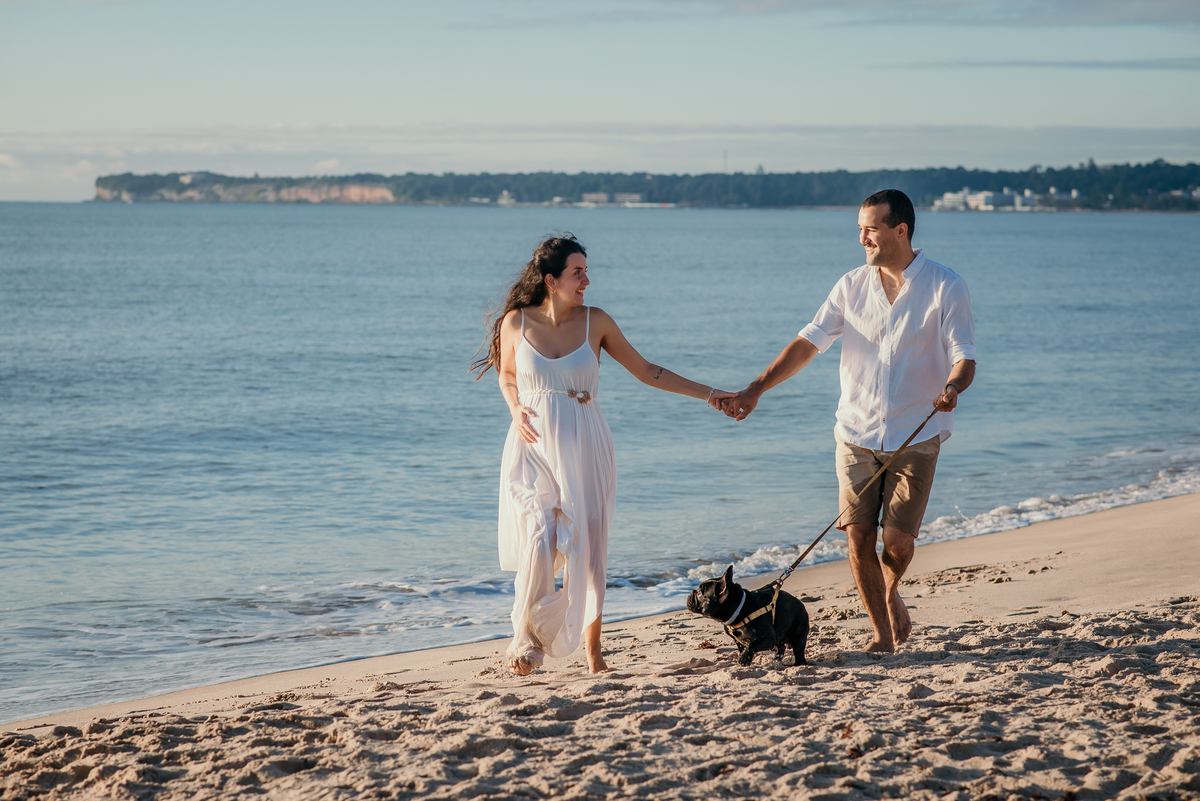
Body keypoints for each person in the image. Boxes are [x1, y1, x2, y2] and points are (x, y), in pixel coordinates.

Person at [717, 189, 976, 653]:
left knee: (896, 542)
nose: (862, 238)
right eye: (859, 228)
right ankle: (881, 635)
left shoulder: (945, 286)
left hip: (916, 434)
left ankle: (891, 587)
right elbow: (808, 343)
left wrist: (953, 387)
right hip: (855, 431)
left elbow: (964, 356)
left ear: (901, 230)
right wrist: (755, 388)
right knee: (857, 536)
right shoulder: (851, 285)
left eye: (870, 228)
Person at [472, 234, 731, 675]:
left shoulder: (597, 321)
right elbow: (507, 374)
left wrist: (710, 394)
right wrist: (514, 407)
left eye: (586, 272)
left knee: (588, 548)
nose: (587, 280)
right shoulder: (515, 322)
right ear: (551, 281)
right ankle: (528, 640)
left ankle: (594, 656)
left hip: (585, 442)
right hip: (531, 443)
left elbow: (648, 371)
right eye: (578, 273)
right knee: (537, 535)